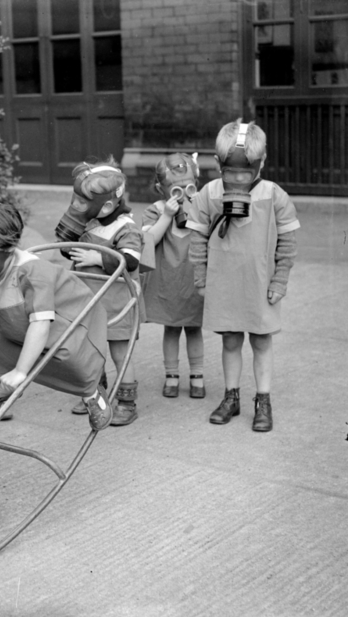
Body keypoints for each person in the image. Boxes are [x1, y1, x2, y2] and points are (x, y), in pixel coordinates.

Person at [0, 202, 112, 430]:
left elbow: (40, 325)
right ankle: (6, 386)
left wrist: (21, 371)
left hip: (68, 327)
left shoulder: (33, 274)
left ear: (7, 251)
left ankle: (92, 394)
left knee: (70, 358)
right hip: (15, 324)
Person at [187, 119, 300, 432]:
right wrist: (201, 277)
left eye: (245, 173)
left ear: (261, 163)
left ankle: (263, 401)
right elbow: (196, 239)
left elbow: (288, 245)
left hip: (261, 286)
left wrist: (280, 281)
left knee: (262, 342)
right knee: (230, 342)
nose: (237, 180)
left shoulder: (274, 195)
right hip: (224, 286)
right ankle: (231, 396)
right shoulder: (209, 194)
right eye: (231, 173)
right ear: (217, 164)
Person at [56, 159, 144, 426]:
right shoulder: (89, 220)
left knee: (119, 352)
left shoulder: (125, 228)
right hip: (87, 300)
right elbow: (68, 248)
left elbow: (130, 260)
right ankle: (97, 395)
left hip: (116, 304)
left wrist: (97, 256)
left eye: (83, 202)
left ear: (107, 205)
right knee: (91, 349)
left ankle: (127, 403)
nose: (78, 207)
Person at [141, 153, 206, 399]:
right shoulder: (155, 210)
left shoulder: (200, 207)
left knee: (193, 328)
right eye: (175, 189)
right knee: (171, 329)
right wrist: (167, 216)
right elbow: (148, 241)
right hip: (167, 281)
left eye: (189, 186)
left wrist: (199, 208)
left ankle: (197, 376)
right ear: (161, 189)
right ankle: (171, 376)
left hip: (193, 280)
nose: (183, 193)